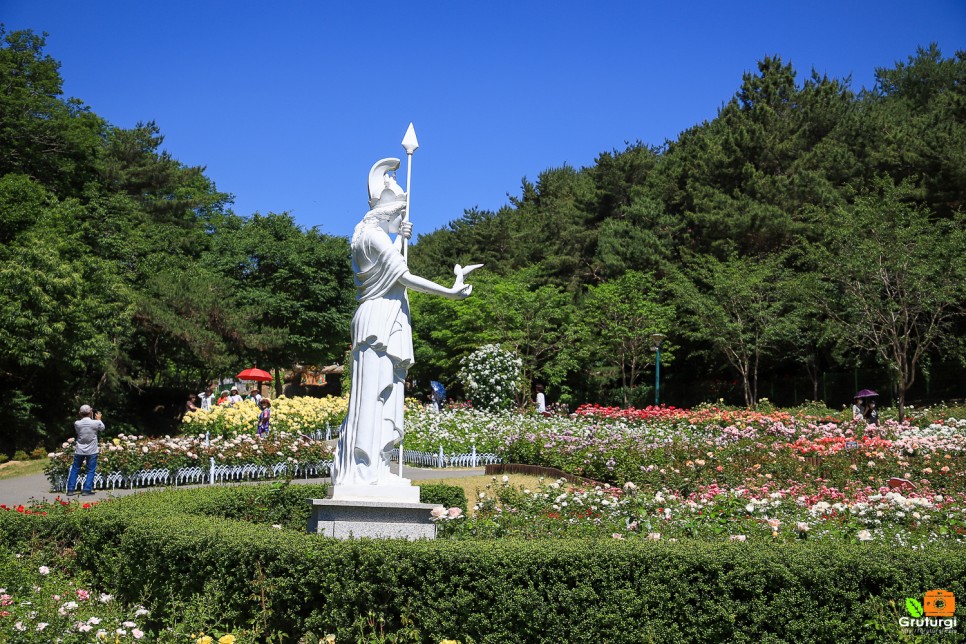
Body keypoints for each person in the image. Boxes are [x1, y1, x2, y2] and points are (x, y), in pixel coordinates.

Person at [332, 158, 474, 486]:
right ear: (387, 213)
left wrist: (399, 237)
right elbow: (404, 277)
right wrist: (450, 293)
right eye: (400, 216)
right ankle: (365, 469)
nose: (402, 221)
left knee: (385, 393)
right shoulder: (375, 238)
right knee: (373, 396)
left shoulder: (368, 235)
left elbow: (389, 269)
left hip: (385, 318)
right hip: (378, 322)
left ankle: (377, 467)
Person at [66, 405, 104, 496]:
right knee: (90, 470)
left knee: (75, 469)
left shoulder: (77, 423)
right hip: (92, 450)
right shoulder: (95, 423)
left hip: (80, 449)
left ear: (80, 413)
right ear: (90, 412)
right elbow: (102, 428)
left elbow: (78, 432)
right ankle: (86, 490)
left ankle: (70, 489)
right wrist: (99, 419)